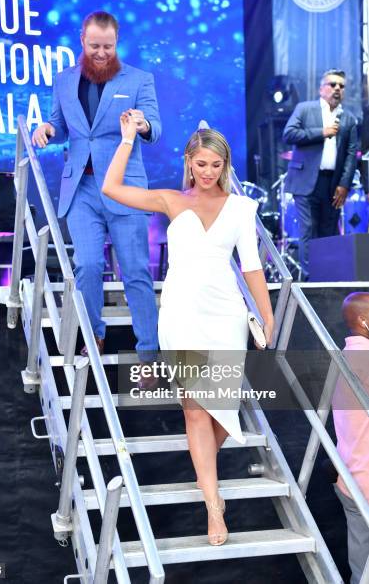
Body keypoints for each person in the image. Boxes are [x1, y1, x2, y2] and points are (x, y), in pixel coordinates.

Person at [102, 115, 274, 546]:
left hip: (225, 314)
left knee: (220, 407)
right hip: (180, 313)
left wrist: (268, 318)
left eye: (216, 164)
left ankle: (205, 474)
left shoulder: (240, 208)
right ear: (189, 162)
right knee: (195, 410)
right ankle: (214, 507)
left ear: (225, 165)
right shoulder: (170, 200)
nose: (209, 172)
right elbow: (111, 188)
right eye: (201, 163)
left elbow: (251, 268)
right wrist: (126, 140)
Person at [32, 11, 161, 358]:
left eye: (108, 46)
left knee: (135, 271)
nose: (101, 52)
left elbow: (155, 126)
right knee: (87, 266)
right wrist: (46, 128)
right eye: (94, 46)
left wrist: (142, 123)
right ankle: (92, 338)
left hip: (125, 189)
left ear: (117, 42)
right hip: (82, 190)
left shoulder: (138, 79)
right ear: (82, 41)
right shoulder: (62, 80)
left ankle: (149, 351)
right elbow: (59, 123)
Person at [283, 69, 357, 280]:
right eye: (332, 84)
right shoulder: (305, 109)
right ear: (321, 88)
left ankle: (327, 279)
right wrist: (321, 132)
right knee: (307, 230)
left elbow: (352, 155)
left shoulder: (349, 119)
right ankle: (309, 281)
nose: (337, 89)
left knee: (329, 232)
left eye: (341, 86)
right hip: (305, 180)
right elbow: (289, 134)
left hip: (333, 184)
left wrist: (345, 184)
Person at [332, 292, 369, 584]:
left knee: (361, 566)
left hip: (351, 477)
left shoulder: (345, 356)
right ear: (363, 321)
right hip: (365, 480)